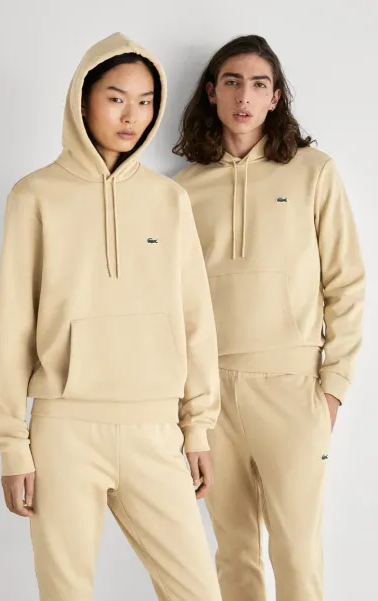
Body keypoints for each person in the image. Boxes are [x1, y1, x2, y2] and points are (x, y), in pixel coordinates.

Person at [0, 32, 223, 601]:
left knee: (197, 591)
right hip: (64, 431)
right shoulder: (35, 195)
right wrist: (11, 446)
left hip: (155, 429)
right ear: (82, 100)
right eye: (116, 98)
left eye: (144, 101)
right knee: (64, 593)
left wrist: (197, 428)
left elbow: (195, 318)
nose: (131, 115)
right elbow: (13, 325)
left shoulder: (169, 200)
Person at [174, 34, 365, 601]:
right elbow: (175, 302)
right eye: (232, 82)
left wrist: (332, 388)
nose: (244, 97)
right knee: (233, 552)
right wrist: (185, 403)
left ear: (276, 97)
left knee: (296, 550)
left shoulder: (313, 171)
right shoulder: (183, 189)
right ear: (212, 92)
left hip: (292, 387)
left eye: (259, 85)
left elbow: (346, 284)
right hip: (210, 392)